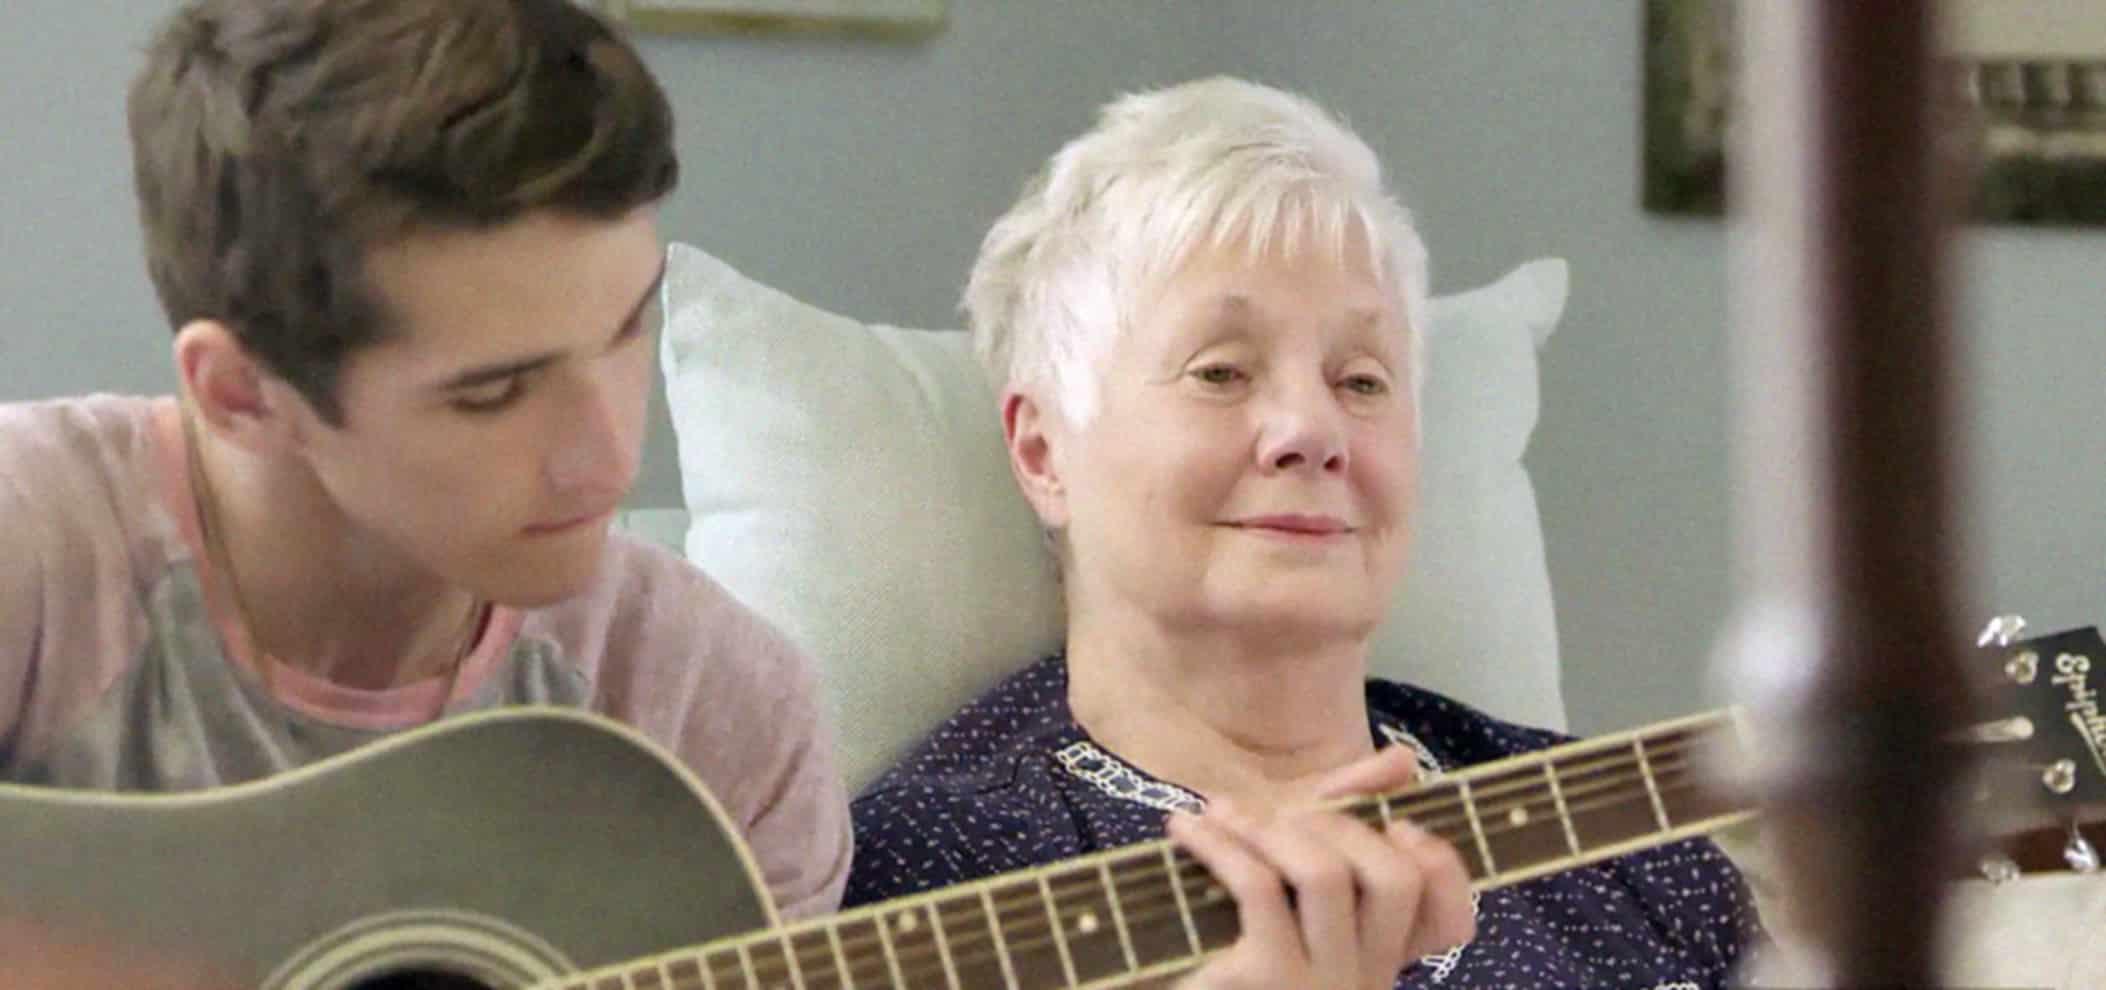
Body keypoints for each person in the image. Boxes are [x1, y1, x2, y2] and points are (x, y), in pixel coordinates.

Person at [845, 76, 1764, 989]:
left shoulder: (1634, 848)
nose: (1313, 431)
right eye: (1221, 371)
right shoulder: (920, 881)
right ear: (1044, 452)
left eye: (1362, 381)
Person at [0, 0, 851, 968]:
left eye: (627, 328)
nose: (608, 458)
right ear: (240, 395)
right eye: (492, 392)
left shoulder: (718, 721)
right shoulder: (32, 552)